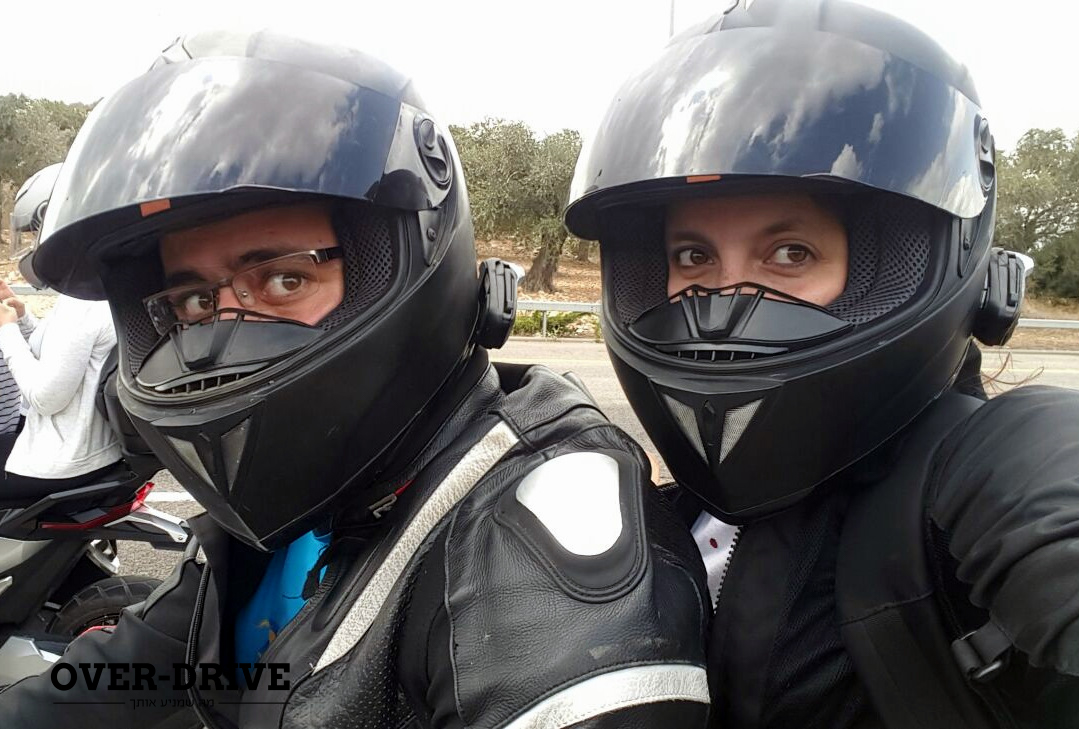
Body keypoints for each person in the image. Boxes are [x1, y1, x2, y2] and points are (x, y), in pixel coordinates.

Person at [0, 31, 710, 728]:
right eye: (192, 302)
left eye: (283, 279)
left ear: (399, 263)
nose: (219, 342)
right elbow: (131, 672)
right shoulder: (293, 499)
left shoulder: (533, 556)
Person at [564, 1, 1079, 727]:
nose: (722, 303)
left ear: (894, 267)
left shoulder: (986, 473)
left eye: (789, 253)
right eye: (692, 256)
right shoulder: (666, 514)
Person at [0, 163, 123, 502]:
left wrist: (6, 331)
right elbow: (64, 352)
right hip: (84, 450)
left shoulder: (82, 302)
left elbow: (46, 397)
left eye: (35, 232)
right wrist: (22, 318)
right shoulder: (99, 285)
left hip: (58, 462)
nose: (32, 245)